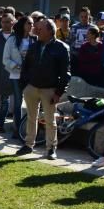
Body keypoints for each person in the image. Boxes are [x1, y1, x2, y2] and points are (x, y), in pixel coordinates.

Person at [15, 17, 70, 159]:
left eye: (41, 28)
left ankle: (51, 148)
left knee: (50, 120)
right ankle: (28, 145)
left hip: (49, 90)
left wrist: (58, 92)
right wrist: (24, 86)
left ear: (50, 31)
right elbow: (25, 67)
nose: (37, 30)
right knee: (31, 117)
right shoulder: (34, 46)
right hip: (31, 88)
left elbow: (65, 73)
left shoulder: (62, 48)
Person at [2, 15, 33, 136]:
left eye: (32, 24)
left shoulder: (34, 39)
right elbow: (5, 59)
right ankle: (17, 129)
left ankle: (29, 130)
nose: (31, 26)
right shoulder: (12, 39)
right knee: (18, 102)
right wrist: (16, 66)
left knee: (31, 103)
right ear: (22, 25)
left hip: (30, 76)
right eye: (28, 23)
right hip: (16, 75)